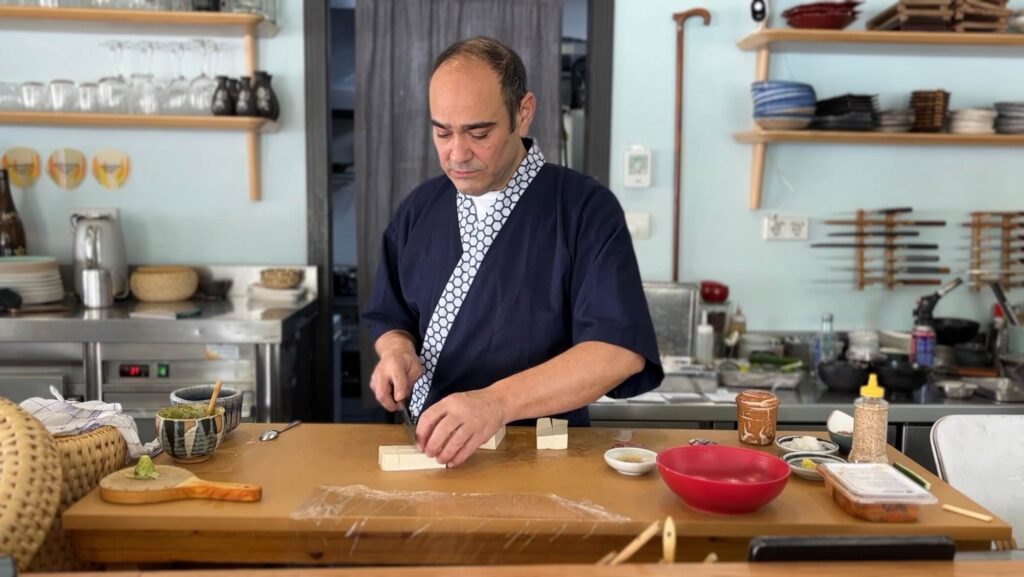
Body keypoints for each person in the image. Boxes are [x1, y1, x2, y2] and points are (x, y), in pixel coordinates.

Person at [363, 36, 662, 468]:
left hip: (543, 458)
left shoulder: (583, 208)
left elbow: (617, 350)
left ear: (523, 113)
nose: (457, 153)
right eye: (442, 132)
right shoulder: (419, 208)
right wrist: (397, 353)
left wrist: (495, 404)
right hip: (426, 451)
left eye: (478, 133)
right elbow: (391, 316)